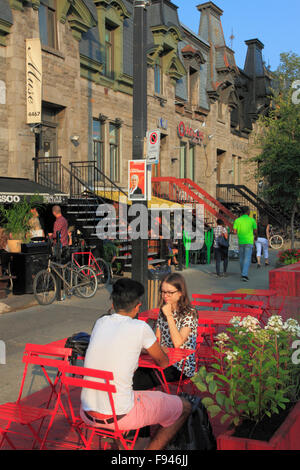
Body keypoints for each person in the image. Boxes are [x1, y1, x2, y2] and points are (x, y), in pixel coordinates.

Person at [80, 278, 191, 451]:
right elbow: (163, 362)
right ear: (138, 306)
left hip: (87, 412)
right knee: (184, 407)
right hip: (120, 415)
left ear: (113, 302)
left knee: (136, 387)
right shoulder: (140, 327)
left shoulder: (100, 323)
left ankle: (127, 446)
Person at [233, 206, 257, 282]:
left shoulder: (237, 220)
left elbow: (234, 231)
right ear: (247, 211)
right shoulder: (252, 220)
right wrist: (255, 237)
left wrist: (240, 234)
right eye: (249, 210)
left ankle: (243, 272)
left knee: (241, 258)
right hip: (249, 241)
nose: (250, 212)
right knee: (247, 258)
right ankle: (244, 274)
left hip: (241, 241)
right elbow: (255, 231)